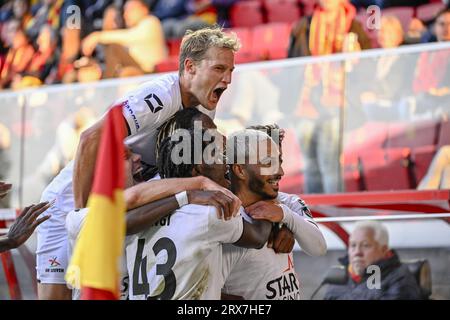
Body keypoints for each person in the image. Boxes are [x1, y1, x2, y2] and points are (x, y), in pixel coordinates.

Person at [37, 26, 240, 300]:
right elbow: (90, 139)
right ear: (190, 67)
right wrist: (82, 217)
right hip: (70, 200)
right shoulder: (160, 96)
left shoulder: (205, 102)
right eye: (219, 69)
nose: (227, 79)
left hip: (126, 201)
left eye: (230, 71)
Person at [126, 128, 272, 300]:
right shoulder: (211, 212)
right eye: (218, 156)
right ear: (198, 168)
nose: (225, 163)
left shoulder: (145, 209)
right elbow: (258, 237)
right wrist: (266, 193)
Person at [221, 127, 327, 300]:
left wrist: (286, 218)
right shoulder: (226, 220)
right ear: (240, 170)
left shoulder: (288, 203)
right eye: (268, 162)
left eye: (279, 161)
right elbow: (202, 292)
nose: (280, 172)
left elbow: (319, 248)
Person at [324, 220, 422, 300]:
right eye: (353, 245)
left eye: (366, 245)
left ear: (383, 250)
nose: (357, 252)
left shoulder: (399, 278)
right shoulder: (338, 278)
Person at [81, 0, 167, 77]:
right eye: (125, 11)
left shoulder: (151, 22)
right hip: (139, 69)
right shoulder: (137, 27)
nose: (125, 14)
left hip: (151, 74)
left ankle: (106, 81)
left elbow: (129, 37)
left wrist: (97, 36)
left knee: (114, 48)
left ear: (144, 9)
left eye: (130, 10)